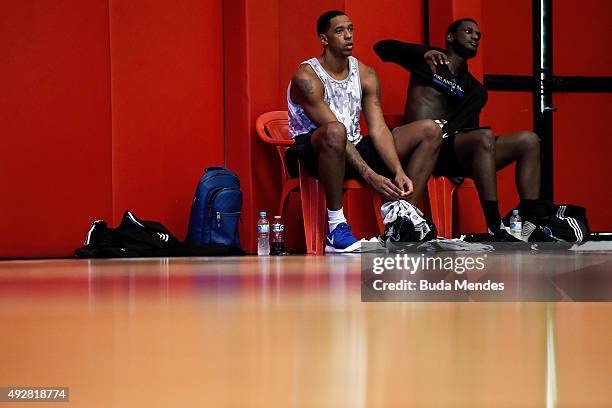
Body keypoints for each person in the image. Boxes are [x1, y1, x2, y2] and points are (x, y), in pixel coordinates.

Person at [287, 10, 443, 253]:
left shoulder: (366, 74)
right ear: (324, 39)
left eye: (350, 29)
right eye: (339, 31)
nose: (348, 36)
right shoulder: (307, 76)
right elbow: (331, 129)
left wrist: (397, 171)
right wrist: (371, 176)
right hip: (315, 151)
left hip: (353, 145)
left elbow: (379, 128)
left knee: (430, 130)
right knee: (336, 131)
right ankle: (336, 227)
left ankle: (402, 219)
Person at [374, 18, 542, 241]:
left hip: (452, 151)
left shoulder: (475, 89)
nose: (475, 37)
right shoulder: (429, 62)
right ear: (450, 38)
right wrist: (423, 52)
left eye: (478, 35)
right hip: (421, 146)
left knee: (528, 140)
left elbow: (467, 127)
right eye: (468, 31)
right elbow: (381, 48)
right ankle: (495, 225)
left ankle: (530, 221)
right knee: (483, 136)